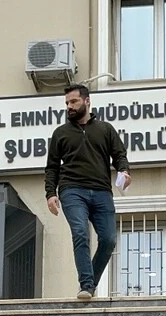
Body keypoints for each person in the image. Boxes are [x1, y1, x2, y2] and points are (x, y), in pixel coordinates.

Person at [44, 84, 131, 300]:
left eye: (73, 102)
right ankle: (86, 284)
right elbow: (52, 166)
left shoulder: (105, 129)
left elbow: (119, 154)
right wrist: (50, 193)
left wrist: (124, 171)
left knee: (109, 239)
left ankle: (90, 284)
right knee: (80, 233)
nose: (69, 107)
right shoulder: (60, 133)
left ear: (87, 101)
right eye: (67, 103)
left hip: (102, 191)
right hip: (72, 190)